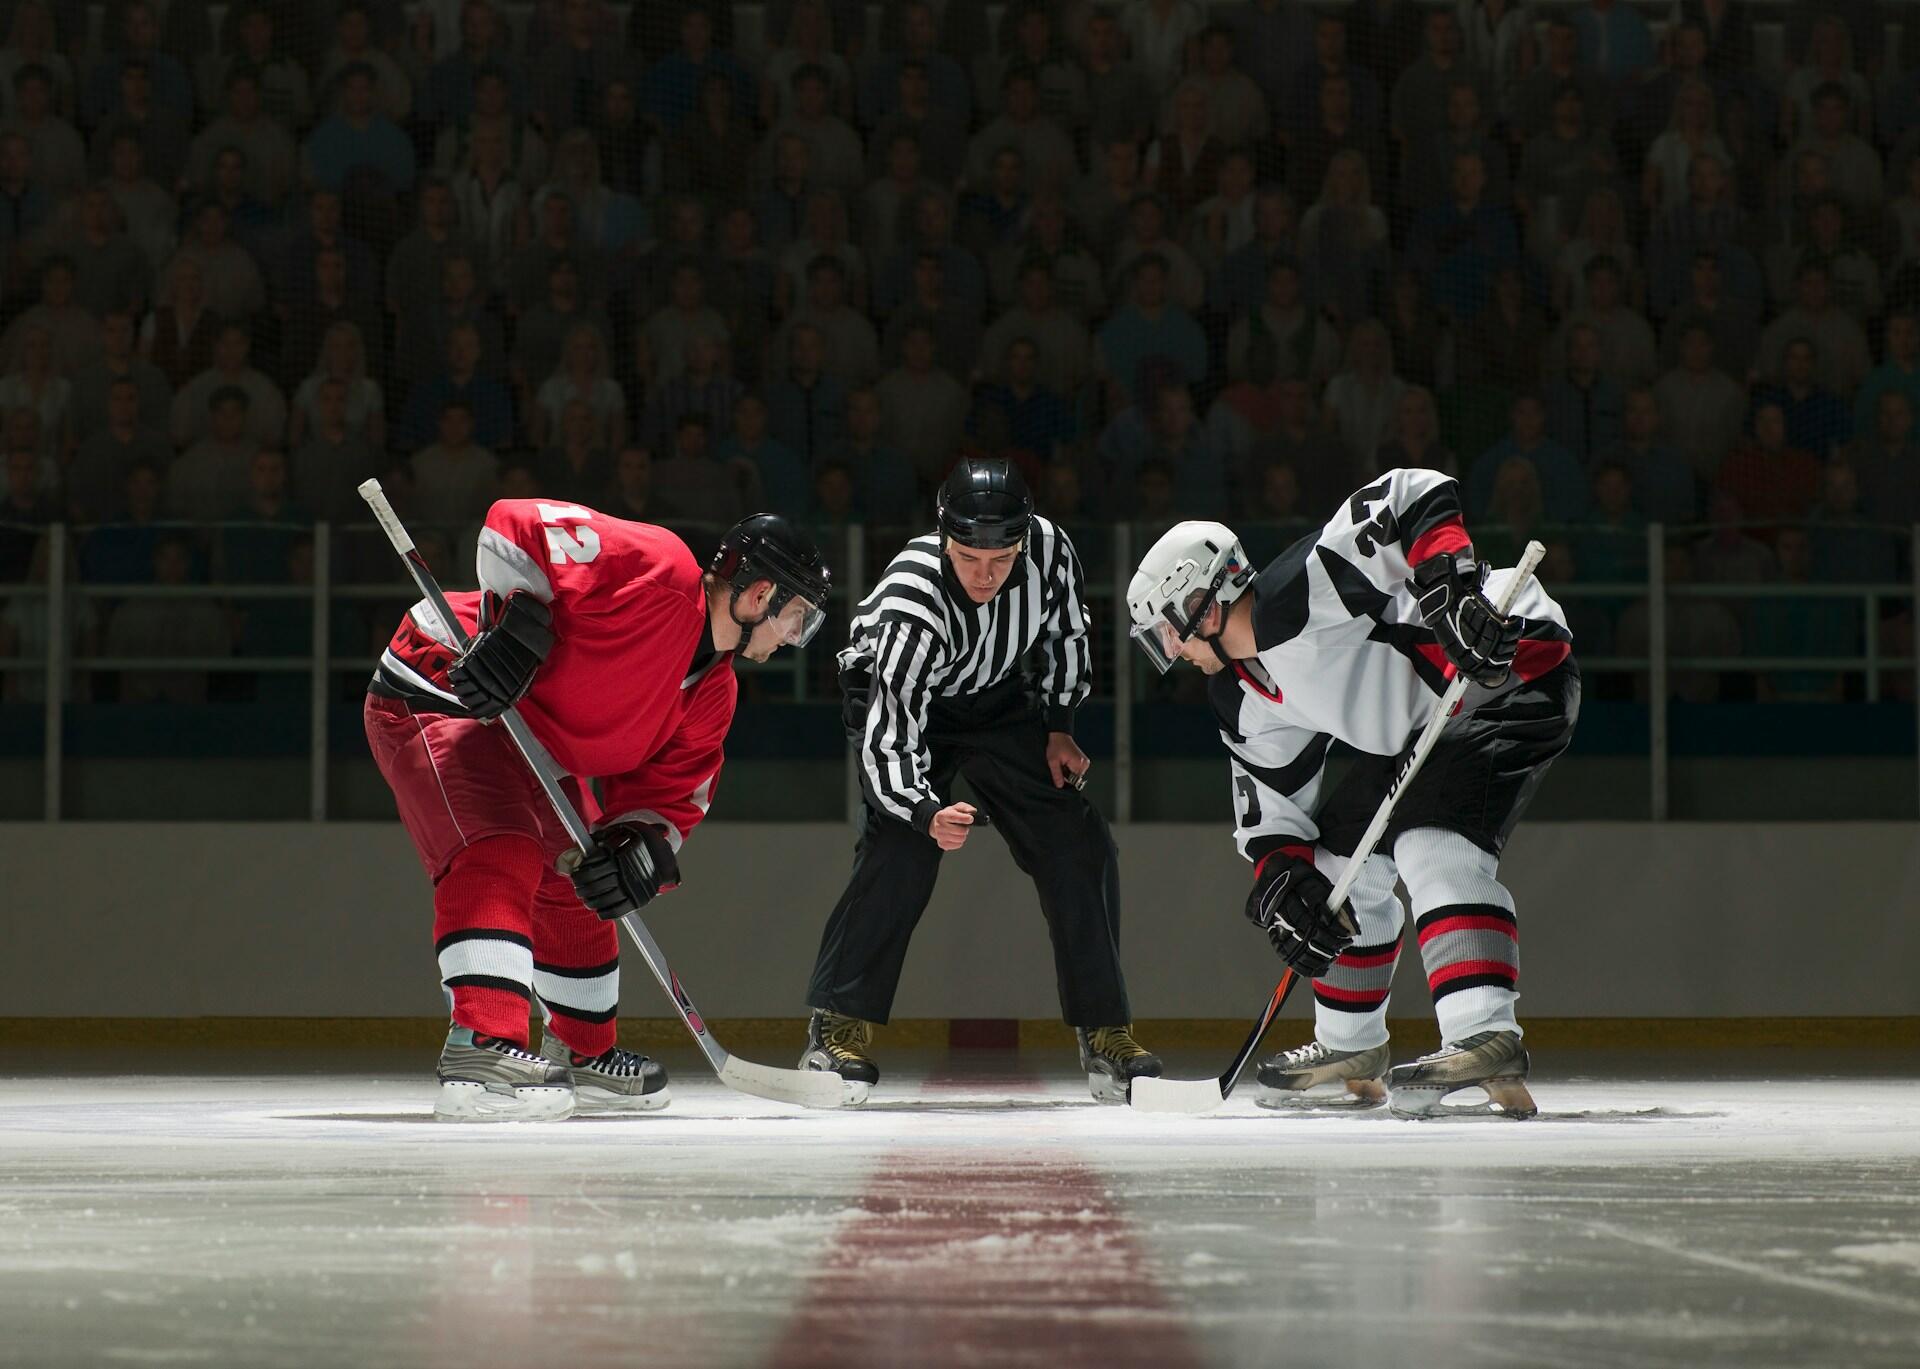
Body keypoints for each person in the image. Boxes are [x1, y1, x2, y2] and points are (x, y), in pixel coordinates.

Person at [1126, 467, 1577, 1117]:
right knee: (1340, 863)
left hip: (1512, 662)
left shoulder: (1301, 591)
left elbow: (1411, 491)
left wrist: (1449, 591)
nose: (1170, 649)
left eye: (1169, 629)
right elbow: (1274, 825)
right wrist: (1289, 883)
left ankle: (1485, 1032)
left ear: (1205, 602)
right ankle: (1350, 1044)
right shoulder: (1240, 695)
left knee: (1430, 840)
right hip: (1426, 719)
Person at [365, 504, 833, 1121]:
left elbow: (670, 797)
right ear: (760, 595)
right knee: (498, 847)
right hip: (442, 687)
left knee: (579, 870)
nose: (793, 636)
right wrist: (514, 626)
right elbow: (514, 526)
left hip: (529, 739)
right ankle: (481, 1050)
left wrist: (635, 847)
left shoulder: (714, 692)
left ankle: (581, 1053)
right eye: (797, 617)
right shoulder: (659, 571)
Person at [799, 459, 1160, 1103]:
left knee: (1080, 845)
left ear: (1024, 539)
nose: (986, 575)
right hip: (907, 704)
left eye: (1002, 558)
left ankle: (1106, 1031)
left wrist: (1058, 723)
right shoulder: (913, 605)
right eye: (969, 558)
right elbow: (890, 737)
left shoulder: (1049, 550)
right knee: (896, 855)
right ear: (944, 539)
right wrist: (919, 812)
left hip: (998, 698)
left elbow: (1071, 632)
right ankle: (835, 1033)